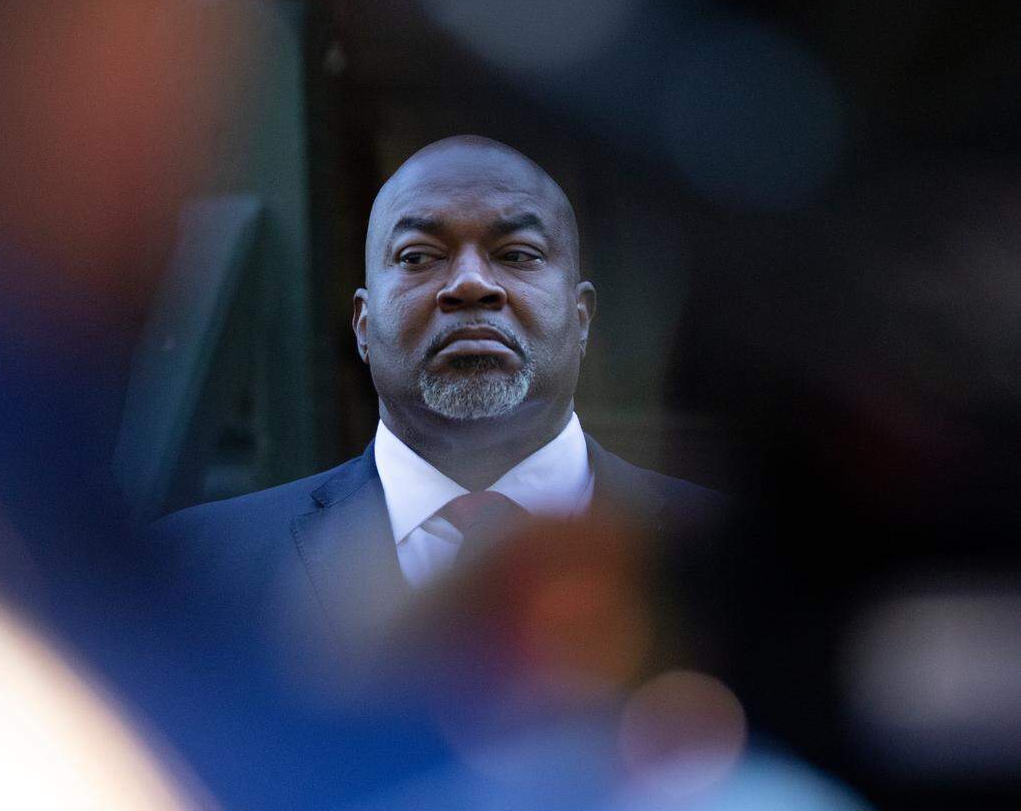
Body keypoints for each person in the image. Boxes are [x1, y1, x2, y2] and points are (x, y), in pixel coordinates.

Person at [146, 135, 727, 809]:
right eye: (420, 257)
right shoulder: (195, 566)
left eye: (517, 255)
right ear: (363, 325)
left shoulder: (728, 556)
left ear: (582, 316)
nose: (472, 284)